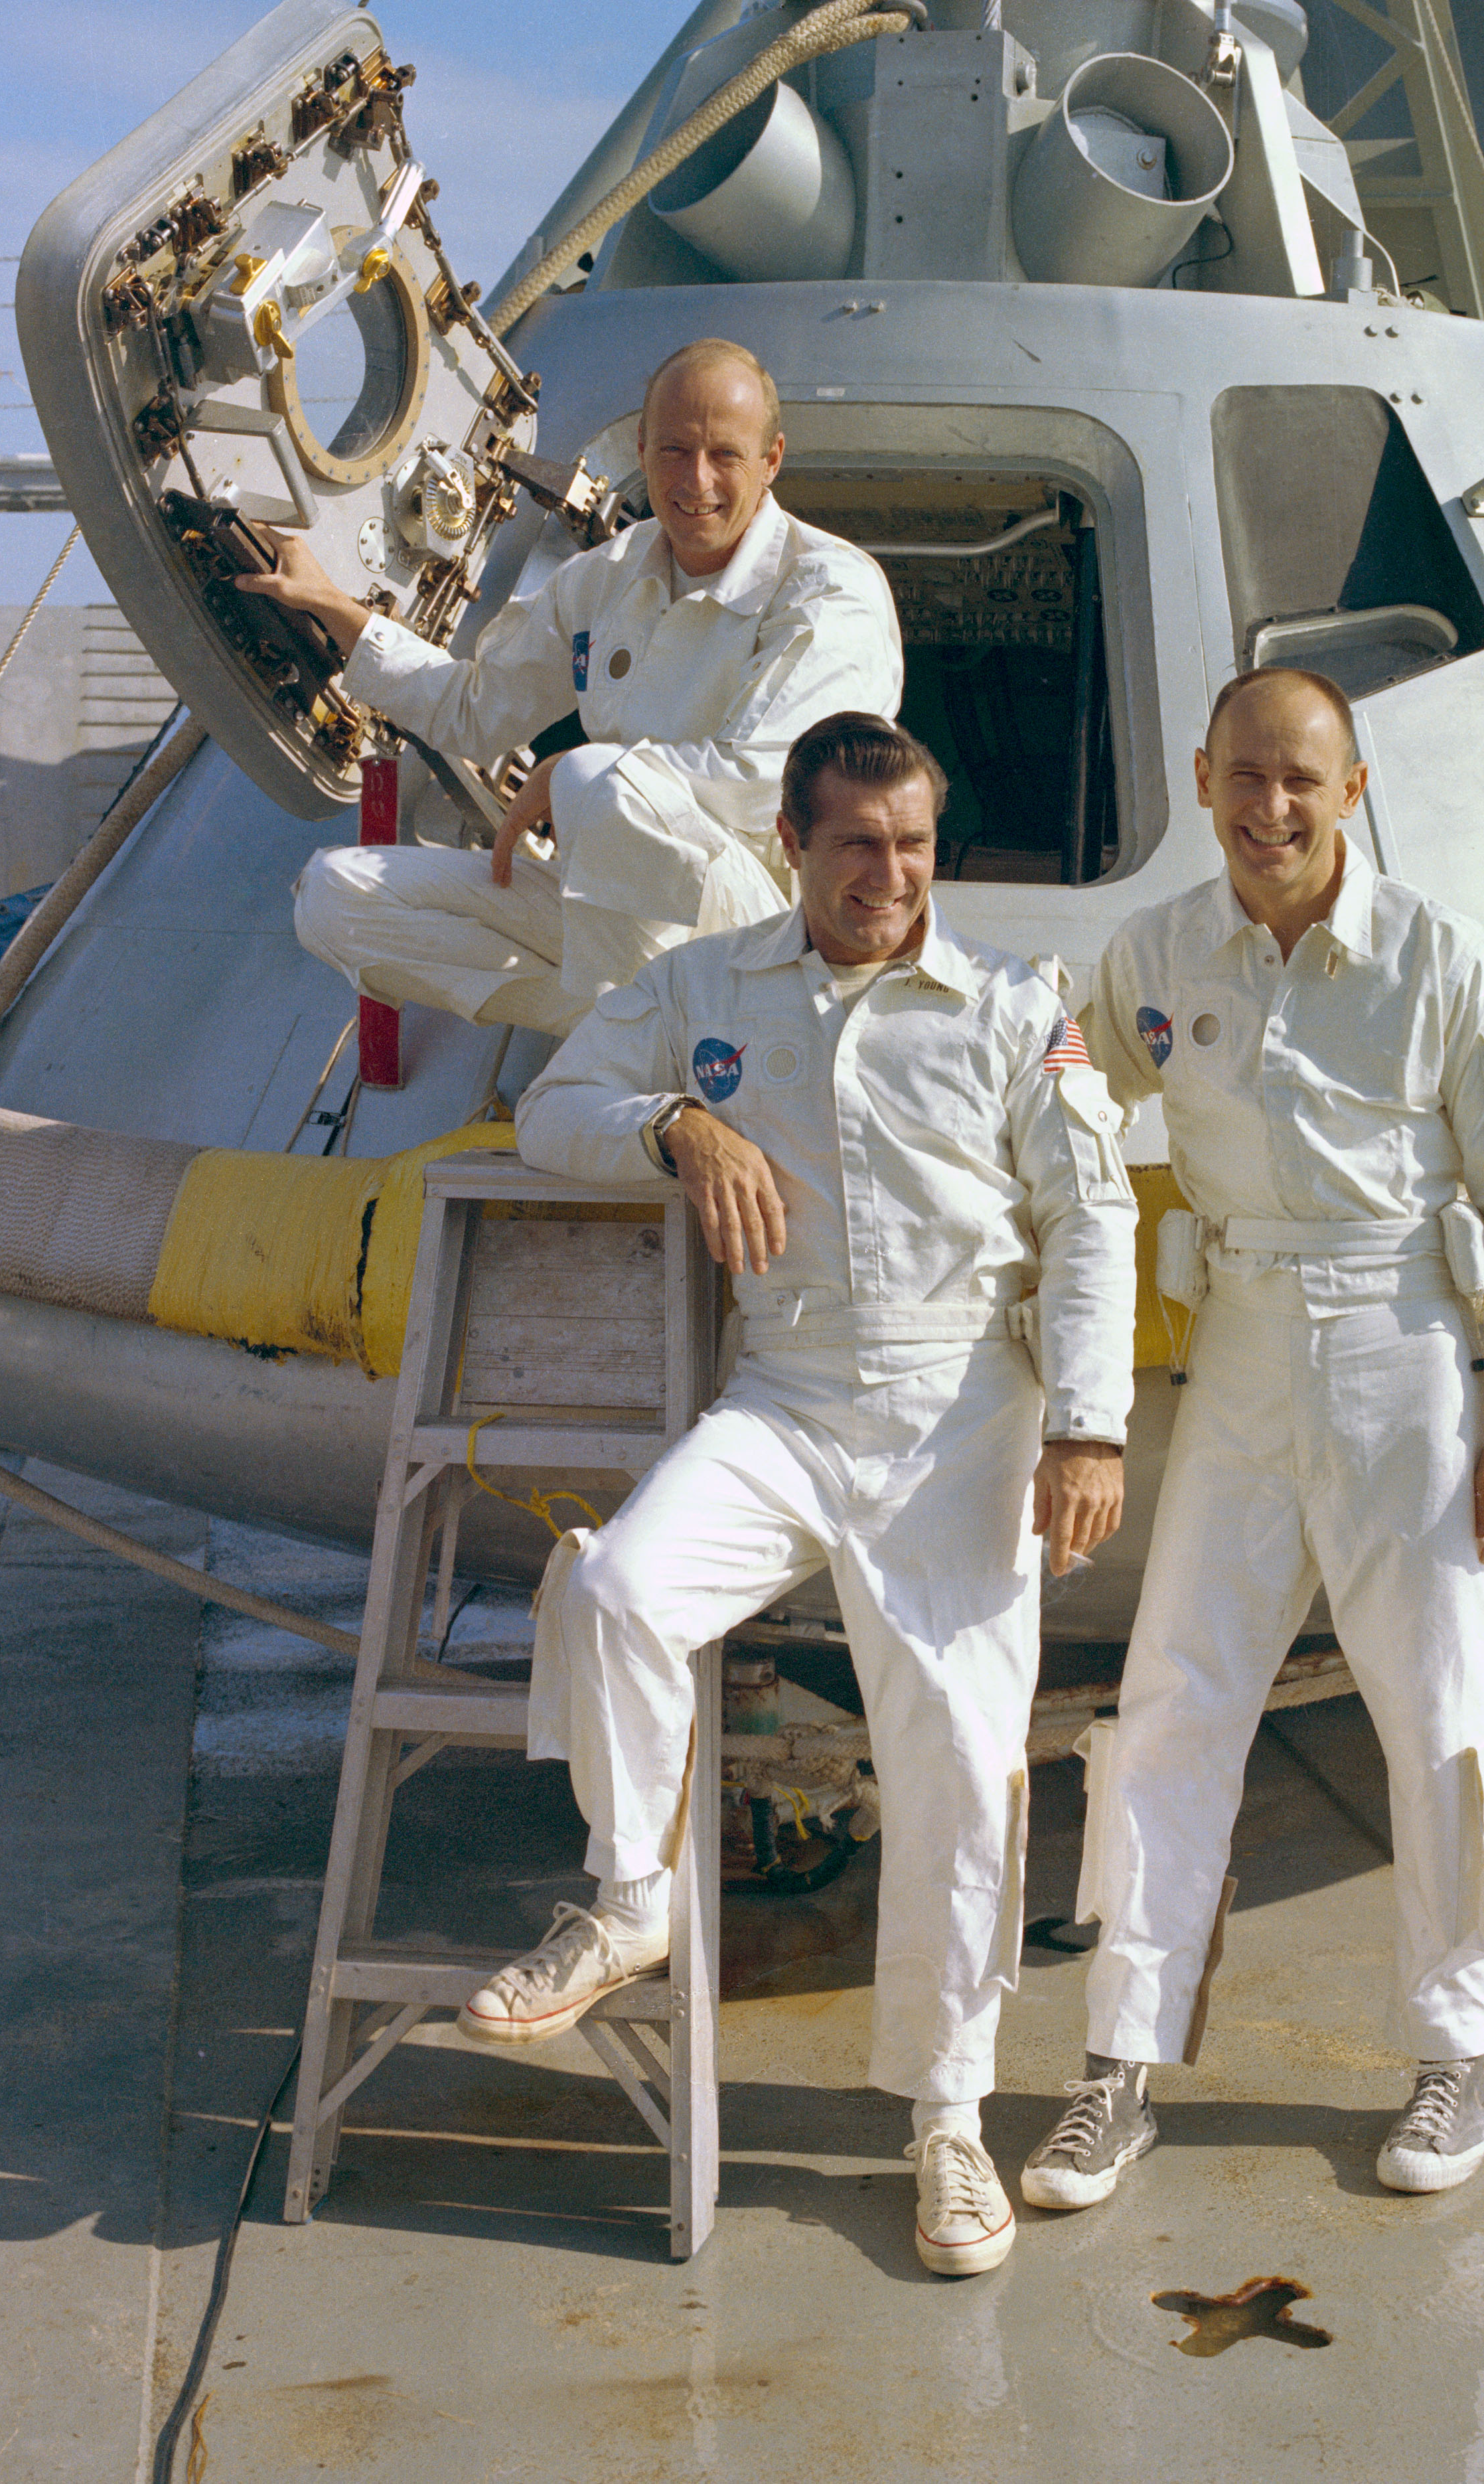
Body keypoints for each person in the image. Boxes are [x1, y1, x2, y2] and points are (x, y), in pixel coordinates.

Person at [471, 711, 1138, 2278]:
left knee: (963, 1773)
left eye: (912, 844)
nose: (890, 876)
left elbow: (1090, 1211)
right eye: (857, 846)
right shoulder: (707, 991)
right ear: (793, 842)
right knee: (625, 1590)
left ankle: (947, 2120)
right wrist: (679, 1123)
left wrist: (1087, 1427)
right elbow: (551, 1106)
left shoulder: (1006, 1007)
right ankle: (629, 1892)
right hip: (783, 1396)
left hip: (963, 1410)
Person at [1021, 666, 1484, 2214]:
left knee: (1446, 1712)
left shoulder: (1439, 963)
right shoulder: (1157, 953)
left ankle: (1457, 2050)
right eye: (1246, 778)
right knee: (1174, 1699)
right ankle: (1117, 2063)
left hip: (1402, 1355)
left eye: (1301, 782)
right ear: (1202, 781)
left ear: (1353, 788)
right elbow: (1065, 1073)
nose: (1271, 810)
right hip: (1245, 1352)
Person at [238, 338, 904, 1033]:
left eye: (724, 455)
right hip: (614, 901)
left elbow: (768, 780)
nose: (695, 480)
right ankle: (638, 1032)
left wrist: (570, 777)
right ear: (641, 449)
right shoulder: (607, 576)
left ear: (771, 461)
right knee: (333, 896)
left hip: (767, 924)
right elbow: (475, 710)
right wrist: (332, 607)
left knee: (595, 781)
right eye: (673, 450)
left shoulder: (830, 587)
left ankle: (679, 1041)